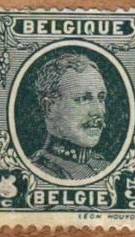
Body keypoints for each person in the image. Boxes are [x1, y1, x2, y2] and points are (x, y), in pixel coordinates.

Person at [28, 53, 112, 181]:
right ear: (49, 107)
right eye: (83, 98)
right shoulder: (37, 171)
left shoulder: (106, 168)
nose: (98, 110)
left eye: (101, 98)